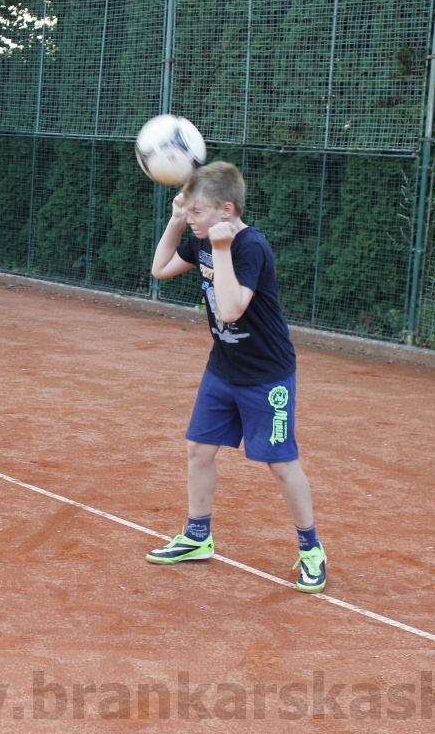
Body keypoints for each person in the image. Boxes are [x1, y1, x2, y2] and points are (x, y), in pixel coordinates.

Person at [144, 161, 326, 593]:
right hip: (223, 368)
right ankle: (196, 536)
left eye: (197, 213)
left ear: (226, 210)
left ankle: (311, 549)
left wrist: (221, 250)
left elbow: (230, 309)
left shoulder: (248, 247)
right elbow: (161, 268)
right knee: (199, 450)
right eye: (188, 212)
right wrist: (175, 220)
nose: (192, 220)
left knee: (280, 464)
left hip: (267, 376)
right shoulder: (204, 238)